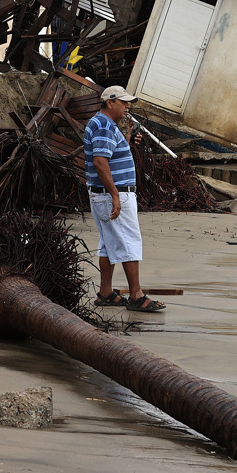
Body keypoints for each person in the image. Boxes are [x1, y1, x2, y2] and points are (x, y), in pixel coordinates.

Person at [84, 85, 165, 313]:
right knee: (129, 241)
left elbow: (107, 157)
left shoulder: (105, 124)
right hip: (112, 194)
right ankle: (137, 295)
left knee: (108, 244)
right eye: (123, 102)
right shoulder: (103, 125)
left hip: (105, 194)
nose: (127, 106)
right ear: (110, 102)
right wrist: (115, 195)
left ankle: (106, 292)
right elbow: (100, 162)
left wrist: (126, 141)